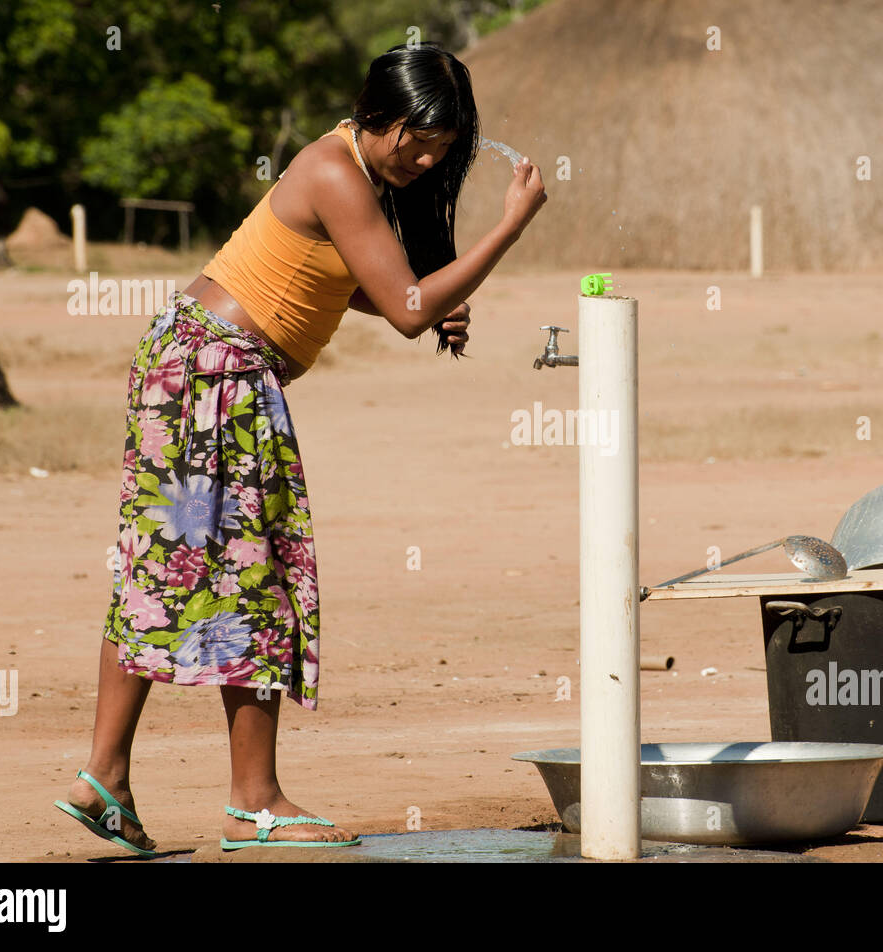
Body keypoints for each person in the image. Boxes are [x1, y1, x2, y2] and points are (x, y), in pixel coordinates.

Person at [53, 42, 547, 854]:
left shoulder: (342, 163)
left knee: (160, 566)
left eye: (443, 148)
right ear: (375, 114)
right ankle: (256, 803)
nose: (424, 159)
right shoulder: (335, 169)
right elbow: (412, 308)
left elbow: (340, 283)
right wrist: (510, 226)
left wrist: (416, 295)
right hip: (220, 377)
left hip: (190, 364)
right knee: (258, 578)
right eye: (414, 139)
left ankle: (103, 778)